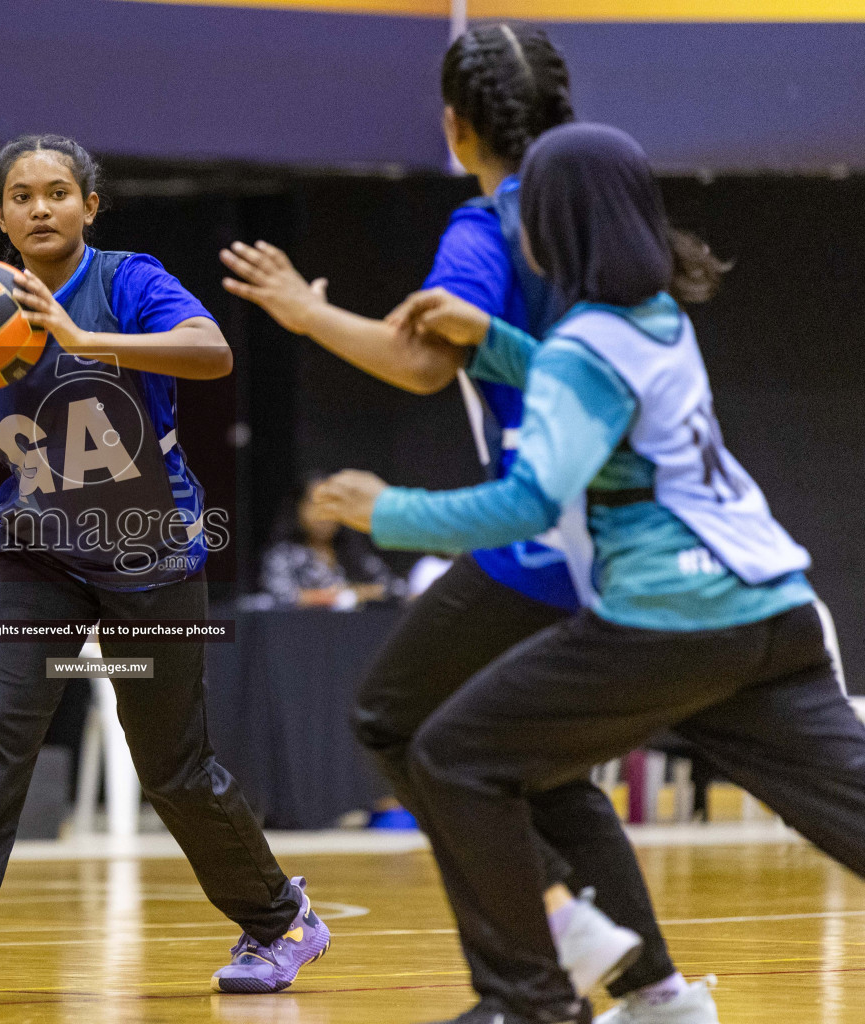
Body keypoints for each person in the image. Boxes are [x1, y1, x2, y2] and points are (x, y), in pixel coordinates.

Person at [311, 122, 865, 1024]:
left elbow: (530, 502)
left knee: (454, 755)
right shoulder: (655, 317)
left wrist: (389, 510)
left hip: (673, 614)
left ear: (554, 226)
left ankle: (536, 1004)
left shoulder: (583, 343)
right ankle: (649, 999)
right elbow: (595, 392)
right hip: (773, 608)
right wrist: (491, 339)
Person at [221, 26, 702, 1023]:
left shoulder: (487, 228)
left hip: (547, 529)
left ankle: (539, 971)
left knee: (393, 716)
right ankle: (655, 991)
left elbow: (423, 362)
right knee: (545, 765)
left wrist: (303, 314)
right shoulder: (608, 214)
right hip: (642, 525)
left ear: (453, 124)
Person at [0, 134, 329, 1002]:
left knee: (171, 767)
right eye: (21, 196)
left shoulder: (127, 280)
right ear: (0, 216)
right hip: (39, 562)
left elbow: (212, 351)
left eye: (59, 192)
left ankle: (280, 918)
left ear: (89, 206)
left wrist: (85, 337)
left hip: (150, 551)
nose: (41, 208)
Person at [260, 480, 395, 607]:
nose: (323, 514)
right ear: (299, 507)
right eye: (315, 503)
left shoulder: (356, 555)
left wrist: (359, 593)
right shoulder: (283, 556)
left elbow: (394, 588)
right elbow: (282, 596)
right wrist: (339, 597)